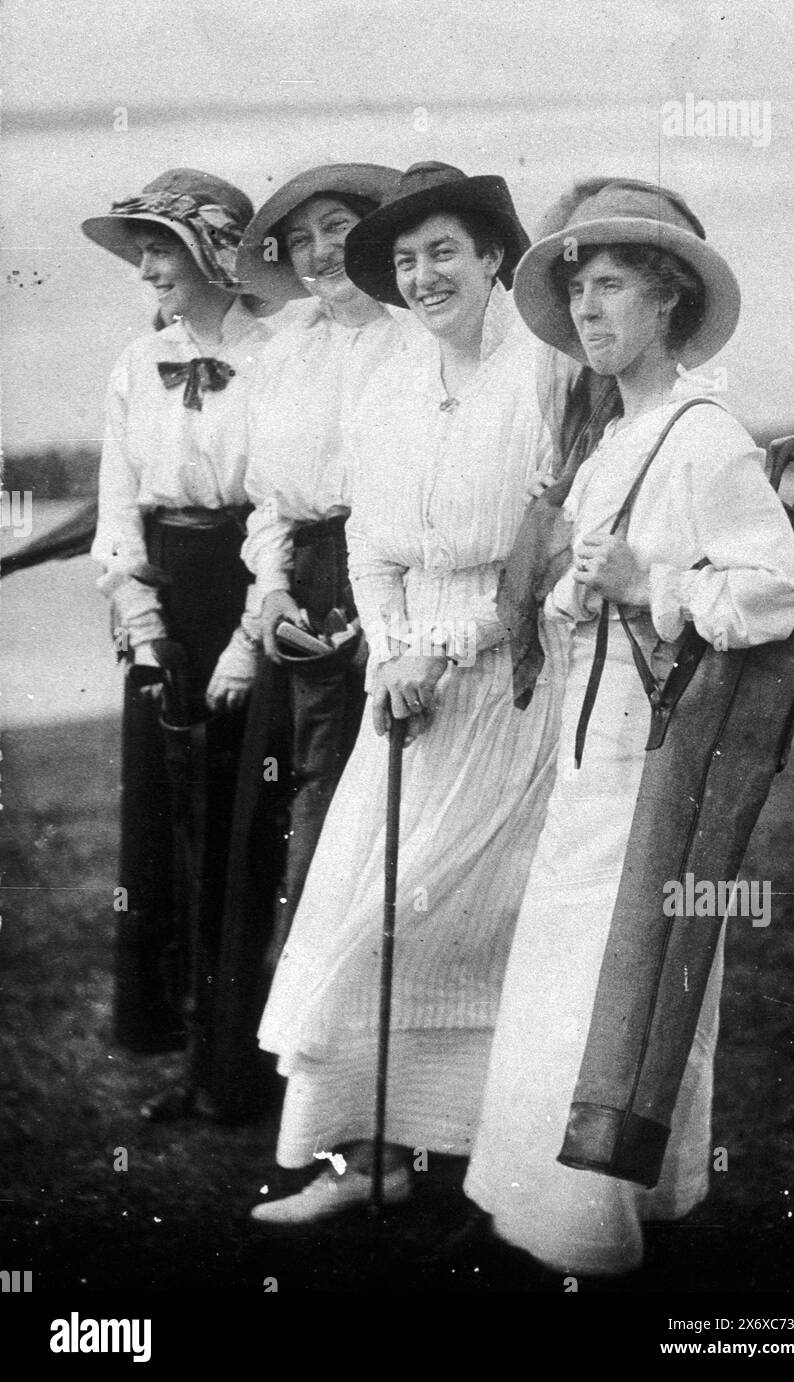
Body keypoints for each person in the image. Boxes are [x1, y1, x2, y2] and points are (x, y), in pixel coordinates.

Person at [464, 179, 794, 1275]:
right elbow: (590, 583)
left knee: (611, 972)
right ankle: (625, 1199)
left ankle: (583, 1226)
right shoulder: (614, 437)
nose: (586, 311)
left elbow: (771, 593)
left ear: (665, 298)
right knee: (588, 965)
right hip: (593, 741)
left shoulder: (704, 439)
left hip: (653, 754)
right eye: (576, 291)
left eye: (609, 285)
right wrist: (579, 588)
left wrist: (649, 581)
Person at [250, 161, 573, 1223]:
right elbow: (373, 551)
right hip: (408, 694)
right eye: (403, 260)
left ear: (492, 257)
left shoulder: (547, 376)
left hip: (513, 678)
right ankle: (368, 1161)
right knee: (360, 907)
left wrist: (446, 647)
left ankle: (501, 1165)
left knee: (457, 924)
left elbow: (552, 555)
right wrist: (391, 650)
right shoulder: (388, 385)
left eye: (443, 251)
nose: (423, 274)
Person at [209, 163, 415, 1121]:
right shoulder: (285, 348)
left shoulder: (413, 342)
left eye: (340, 227)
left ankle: (374, 1082)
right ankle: (296, 1069)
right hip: (303, 586)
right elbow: (268, 500)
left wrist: (380, 613)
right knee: (298, 810)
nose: (322, 250)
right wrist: (275, 588)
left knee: (368, 813)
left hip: (393, 584)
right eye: (300, 239)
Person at [83, 169, 273, 1109]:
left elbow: (282, 504)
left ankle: (244, 1066)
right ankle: (193, 1052)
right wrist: (144, 627)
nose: (147, 268)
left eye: (160, 247)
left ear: (213, 254)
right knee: (167, 831)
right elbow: (118, 504)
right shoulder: (132, 364)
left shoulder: (280, 358)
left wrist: (248, 637)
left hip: (249, 594)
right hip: (165, 601)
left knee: (244, 836)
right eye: (141, 251)